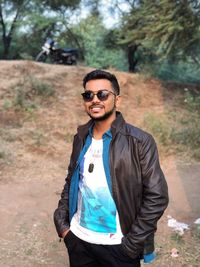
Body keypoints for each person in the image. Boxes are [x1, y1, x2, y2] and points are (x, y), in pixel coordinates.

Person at [54, 69, 169, 267]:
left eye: (103, 94)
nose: (95, 100)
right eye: (88, 95)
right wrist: (64, 227)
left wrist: (132, 245)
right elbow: (71, 181)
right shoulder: (80, 137)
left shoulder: (139, 141)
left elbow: (157, 196)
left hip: (119, 246)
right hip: (79, 241)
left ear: (118, 100)